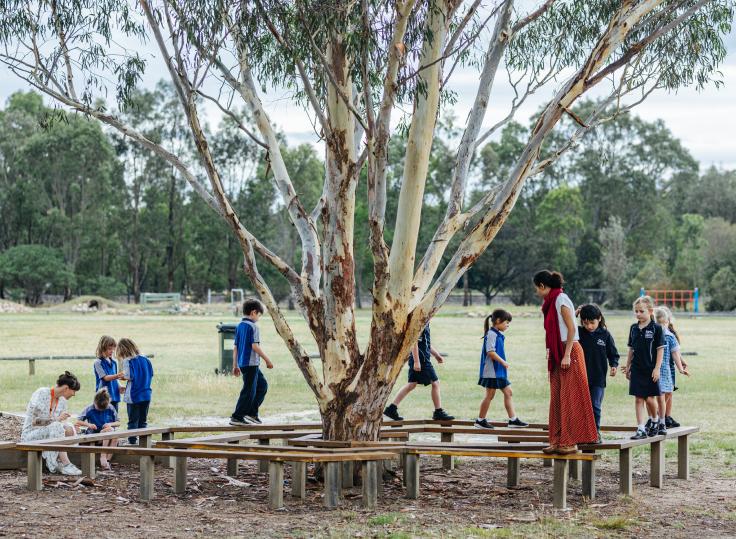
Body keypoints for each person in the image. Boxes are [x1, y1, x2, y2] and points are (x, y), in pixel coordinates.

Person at [533, 270, 598, 455]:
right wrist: (551, 352)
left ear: (543, 286)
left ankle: (570, 441)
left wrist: (567, 354)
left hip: (569, 350)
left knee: (571, 397)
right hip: (557, 351)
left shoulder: (561, 299)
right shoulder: (550, 303)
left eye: (537, 288)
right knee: (557, 397)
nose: (537, 292)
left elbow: (571, 329)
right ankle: (556, 439)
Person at [383, 321, 454, 422]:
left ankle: (391, 409)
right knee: (435, 383)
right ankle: (438, 412)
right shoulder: (419, 321)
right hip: (421, 359)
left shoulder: (426, 322)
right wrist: (417, 361)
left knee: (411, 385)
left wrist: (436, 355)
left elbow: (426, 343)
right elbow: (414, 342)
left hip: (420, 358)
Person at [20, 371, 87, 475]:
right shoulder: (41, 393)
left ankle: (59, 462)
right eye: (73, 391)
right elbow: (35, 422)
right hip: (31, 434)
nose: (74, 394)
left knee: (69, 428)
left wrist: (71, 427)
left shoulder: (63, 401)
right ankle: (65, 464)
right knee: (56, 425)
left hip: (49, 433)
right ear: (66, 388)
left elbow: (61, 425)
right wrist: (57, 419)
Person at [474, 309, 528, 429]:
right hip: (492, 371)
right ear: (498, 321)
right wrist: (503, 362)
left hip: (498, 371)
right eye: (506, 322)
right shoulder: (491, 334)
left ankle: (513, 420)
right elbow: (490, 352)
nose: (508, 325)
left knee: (508, 392)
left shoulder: (497, 334)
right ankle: (480, 420)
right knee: (490, 395)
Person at [624, 296, 665, 440]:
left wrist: (657, 368)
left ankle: (655, 420)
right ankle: (640, 428)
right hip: (636, 369)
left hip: (650, 369)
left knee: (649, 399)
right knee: (638, 399)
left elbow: (660, 350)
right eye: (636, 311)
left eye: (641, 311)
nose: (638, 314)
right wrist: (628, 366)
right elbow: (631, 349)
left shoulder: (656, 328)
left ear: (650, 311)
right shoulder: (633, 328)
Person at [577, 304, 619, 438]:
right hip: (580, 376)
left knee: (595, 406)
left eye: (592, 323)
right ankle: (581, 432)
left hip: (598, 377)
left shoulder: (605, 335)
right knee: (580, 406)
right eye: (585, 323)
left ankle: (595, 432)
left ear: (599, 319)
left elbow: (613, 353)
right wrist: (575, 313)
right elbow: (566, 327)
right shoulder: (578, 333)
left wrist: (614, 365)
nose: (589, 326)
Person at [230, 298, 274, 426]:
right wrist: (268, 360)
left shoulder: (239, 326)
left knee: (262, 386)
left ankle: (251, 413)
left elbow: (235, 347)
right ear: (253, 312)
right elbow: (255, 346)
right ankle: (237, 417)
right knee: (249, 391)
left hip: (244, 364)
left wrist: (235, 365)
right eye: (259, 315)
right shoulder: (253, 327)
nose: (258, 318)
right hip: (251, 363)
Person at [654, 306, 689, 431]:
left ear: (668, 321)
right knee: (658, 395)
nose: (663, 326)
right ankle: (656, 419)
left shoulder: (670, 335)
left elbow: (675, 352)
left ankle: (663, 417)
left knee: (668, 392)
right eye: (660, 323)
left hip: (668, 368)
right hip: (655, 370)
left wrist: (681, 366)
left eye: (665, 323)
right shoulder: (652, 335)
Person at [117, 338, 153, 445]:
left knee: (133, 421)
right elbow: (151, 373)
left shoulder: (128, 360)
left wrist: (120, 377)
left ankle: (132, 442)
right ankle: (144, 442)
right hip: (146, 394)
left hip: (134, 395)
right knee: (143, 420)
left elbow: (129, 376)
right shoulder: (146, 359)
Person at [78, 388, 121, 470]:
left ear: (108, 402)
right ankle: (103, 456)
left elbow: (118, 422)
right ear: (94, 402)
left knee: (114, 436)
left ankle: (107, 461)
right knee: (107, 431)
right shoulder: (90, 409)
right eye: (99, 408)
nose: (101, 410)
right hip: (94, 436)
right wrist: (89, 424)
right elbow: (78, 421)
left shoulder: (111, 408)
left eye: (103, 409)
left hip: (108, 436)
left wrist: (110, 424)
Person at [93, 335, 123, 412]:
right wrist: (118, 375)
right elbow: (105, 378)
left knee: (113, 417)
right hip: (103, 396)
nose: (112, 351)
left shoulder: (114, 362)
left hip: (114, 394)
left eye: (113, 349)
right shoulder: (98, 362)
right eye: (109, 349)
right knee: (103, 418)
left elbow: (115, 379)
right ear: (102, 348)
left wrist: (119, 386)